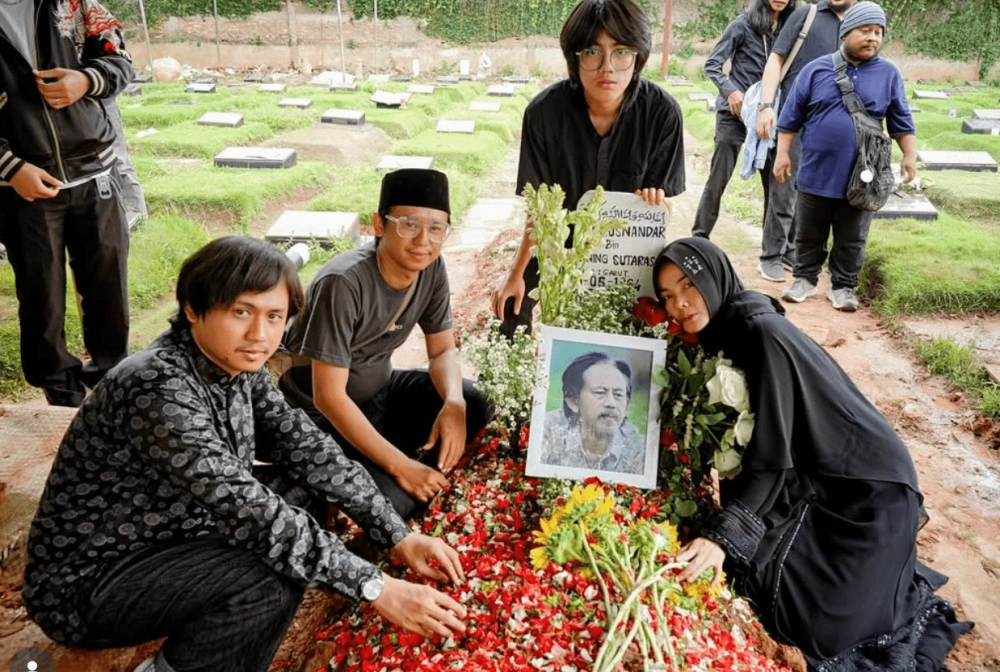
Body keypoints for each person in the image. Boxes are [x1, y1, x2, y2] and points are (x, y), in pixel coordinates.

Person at [23, 237, 469, 672]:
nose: (260, 334)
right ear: (193, 310)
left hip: (177, 533)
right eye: (242, 312)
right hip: (93, 582)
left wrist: (397, 535)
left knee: (304, 497)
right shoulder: (155, 389)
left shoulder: (236, 366)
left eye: (275, 316)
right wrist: (376, 588)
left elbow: (307, 449)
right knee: (268, 576)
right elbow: (248, 509)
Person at [652, 237, 972, 671]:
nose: (680, 305)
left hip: (865, 491)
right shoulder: (726, 330)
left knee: (808, 621)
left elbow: (771, 457)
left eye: (688, 285)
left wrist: (721, 538)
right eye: (668, 296)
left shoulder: (761, 334)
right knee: (764, 577)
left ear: (714, 277)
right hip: (817, 472)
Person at [281, 169, 491, 520]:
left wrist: (452, 403)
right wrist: (402, 468)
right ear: (379, 225)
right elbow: (328, 397)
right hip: (323, 419)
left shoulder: (431, 268)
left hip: (380, 393)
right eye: (409, 224)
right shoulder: (344, 283)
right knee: (397, 504)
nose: (423, 240)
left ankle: (388, 460)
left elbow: (441, 351)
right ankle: (377, 468)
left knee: (473, 403)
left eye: (436, 228)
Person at [491, 0, 686, 339]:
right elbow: (539, 212)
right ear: (575, 58)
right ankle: (515, 387)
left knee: (659, 322)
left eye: (621, 52)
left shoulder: (663, 114)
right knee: (511, 309)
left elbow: (657, 214)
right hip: (559, 244)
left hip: (627, 254)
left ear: (638, 57)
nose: (607, 68)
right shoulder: (544, 114)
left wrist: (656, 202)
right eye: (593, 53)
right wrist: (515, 273)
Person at [0, 0, 133, 407]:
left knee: (109, 284)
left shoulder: (76, 4)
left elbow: (120, 60)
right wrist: (9, 167)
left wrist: (86, 80)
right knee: (42, 295)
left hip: (95, 172)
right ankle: (62, 395)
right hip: (25, 183)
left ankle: (112, 382)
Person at [775, 2, 916, 312]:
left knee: (852, 234)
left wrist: (909, 155)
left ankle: (843, 287)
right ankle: (804, 279)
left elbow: (901, 119)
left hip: (863, 174)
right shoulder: (816, 69)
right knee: (809, 230)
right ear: (846, 32)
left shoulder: (888, 73)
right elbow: (790, 116)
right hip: (816, 169)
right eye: (865, 31)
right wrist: (782, 154)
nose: (873, 38)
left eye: (878, 32)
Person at [754, 0, 857, 283]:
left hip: (831, 127)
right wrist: (765, 105)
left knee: (810, 192)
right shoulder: (807, 14)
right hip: (794, 118)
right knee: (784, 187)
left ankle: (792, 252)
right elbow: (775, 59)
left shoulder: (861, 23)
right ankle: (771, 256)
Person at [692, 0, 797, 240]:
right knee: (719, 177)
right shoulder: (742, 24)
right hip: (734, 114)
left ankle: (770, 248)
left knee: (775, 183)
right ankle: (699, 237)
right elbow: (713, 64)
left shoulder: (792, 29)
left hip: (769, 116)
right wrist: (729, 90)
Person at [541, 351, 645, 474]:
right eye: (600, 392)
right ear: (573, 401)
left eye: (618, 395)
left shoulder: (638, 448)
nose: (611, 403)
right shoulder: (547, 430)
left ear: (627, 405)